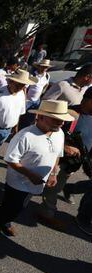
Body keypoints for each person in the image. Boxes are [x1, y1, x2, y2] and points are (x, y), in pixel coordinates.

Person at [0, 100, 72, 236]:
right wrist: (31, 175)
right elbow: (11, 160)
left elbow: (58, 155)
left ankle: (4, 220)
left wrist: (53, 173)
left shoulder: (59, 133)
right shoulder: (25, 136)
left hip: (37, 183)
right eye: (56, 120)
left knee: (21, 206)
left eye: (62, 120)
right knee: (12, 206)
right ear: (40, 117)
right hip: (18, 183)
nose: (61, 123)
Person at [37, 88, 92, 230]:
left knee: (55, 187)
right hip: (55, 160)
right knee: (38, 184)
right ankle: (44, 214)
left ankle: (45, 210)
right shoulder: (69, 114)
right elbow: (43, 134)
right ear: (86, 99)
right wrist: (65, 147)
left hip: (72, 163)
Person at [0, 69, 38, 187]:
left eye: (23, 85)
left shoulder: (21, 94)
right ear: (10, 81)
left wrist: (15, 129)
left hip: (7, 131)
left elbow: (19, 113)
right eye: (18, 84)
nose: (20, 87)